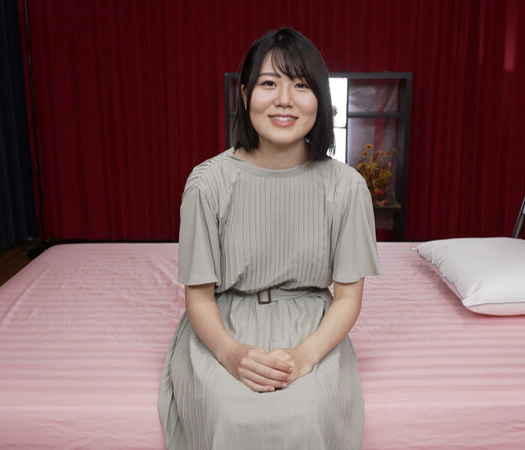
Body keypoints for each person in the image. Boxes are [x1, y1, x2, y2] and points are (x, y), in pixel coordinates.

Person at [158, 27, 381, 449]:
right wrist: (231, 354)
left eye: (301, 85)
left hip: (312, 328)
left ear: (320, 100)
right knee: (229, 413)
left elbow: (348, 297)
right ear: (245, 96)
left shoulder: (347, 187)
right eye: (268, 83)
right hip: (223, 326)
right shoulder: (207, 184)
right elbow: (199, 297)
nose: (284, 99)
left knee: (305, 413)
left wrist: (305, 356)